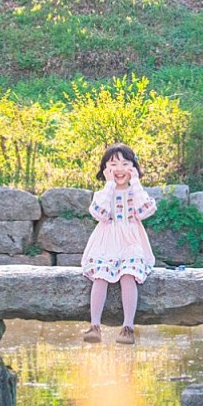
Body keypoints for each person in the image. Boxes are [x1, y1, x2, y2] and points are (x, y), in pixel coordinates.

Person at [80, 143, 157, 344]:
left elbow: (144, 211)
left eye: (125, 163)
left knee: (128, 274)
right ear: (105, 169)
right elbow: (100, 214)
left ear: (133, 167)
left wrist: (137, 183)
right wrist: (109, 185)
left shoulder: (135, 192)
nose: (120, 169)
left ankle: (128, 327)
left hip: (131, 240)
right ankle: (94, 325)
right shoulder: (103, 193)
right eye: (114, 164)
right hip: (106, 240)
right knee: (100, 275)